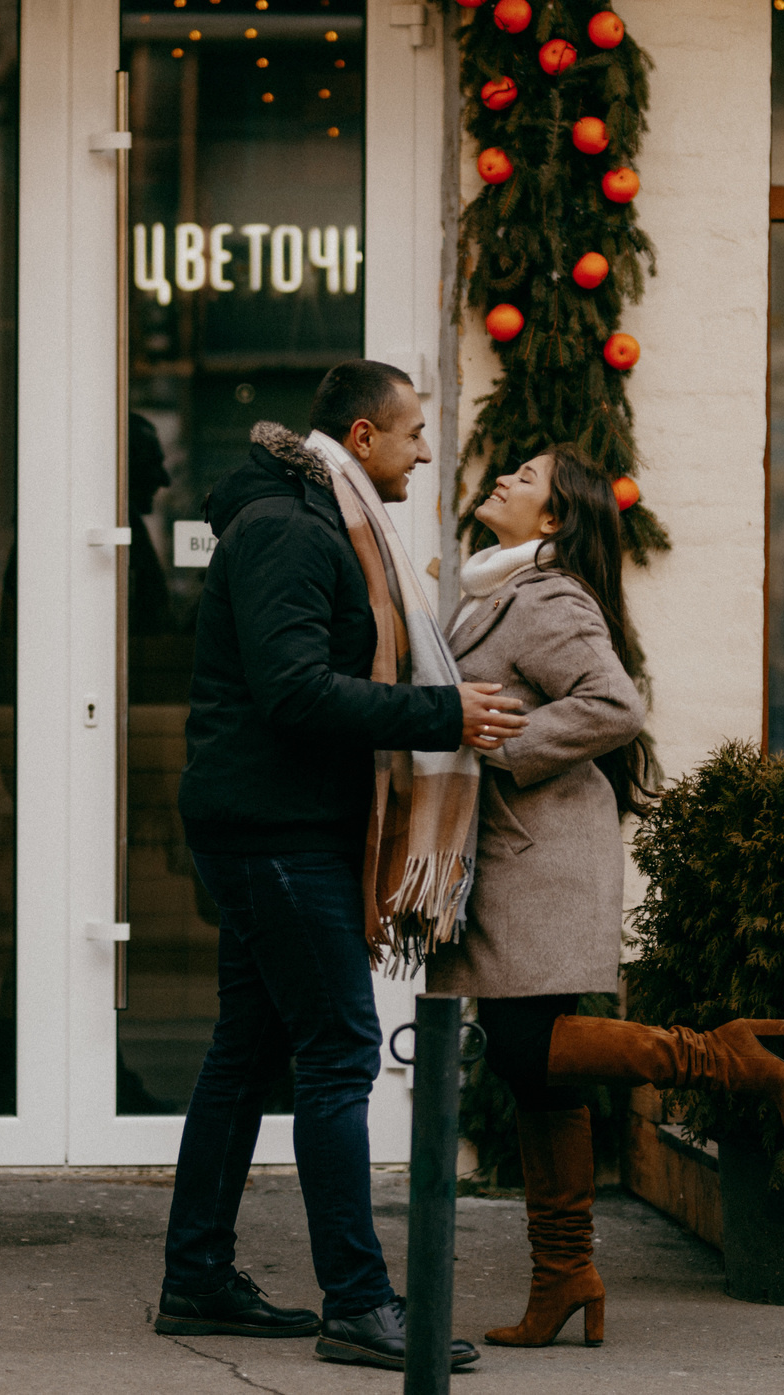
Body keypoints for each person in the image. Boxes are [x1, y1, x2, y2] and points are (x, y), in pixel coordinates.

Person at [154, 360, 526, 1373]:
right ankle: (358, 1304)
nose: (424, 453)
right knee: (341, 1050)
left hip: (277, 822)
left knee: (246, 1051)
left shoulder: (323, 522)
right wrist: (444, 713)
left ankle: (196, 1274)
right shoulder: (291, 530)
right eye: (413, 434)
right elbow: (294, 692)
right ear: (362, 438)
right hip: (273, 830)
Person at [429, 444, 784, 1350]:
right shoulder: (494, 591)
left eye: (526, 477)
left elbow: (612, 704)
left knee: (525, 1044)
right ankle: (565, 1273)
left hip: (539, 855)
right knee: (532, 1068)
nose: (505, 478)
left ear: (555, 519)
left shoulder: (546, 597)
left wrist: (500, 740)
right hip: (516, 854)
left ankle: (718, 1055)